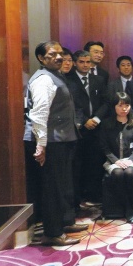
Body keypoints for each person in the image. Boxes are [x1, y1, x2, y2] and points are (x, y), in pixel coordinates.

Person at [26, 41, 85, 246]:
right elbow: (39, 114)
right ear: (41, 58)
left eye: (60, 53)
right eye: (52, 54)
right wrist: (41, 145)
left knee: (64, 185)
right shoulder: (43, 79)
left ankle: (65, 222)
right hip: (51, 142)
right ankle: (53, 232)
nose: (59, 57)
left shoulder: (56, 75)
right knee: (53, 188)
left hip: (62, 139)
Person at [66, 49, 109, 204]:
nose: (85, 65)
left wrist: (96, 118)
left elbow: (106, 102)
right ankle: (78, 198)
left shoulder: (98, 80)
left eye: (88, 62)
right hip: (78, 129)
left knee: (95, 163)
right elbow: (70, 105)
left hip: (96, 128)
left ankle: (94, 196)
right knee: (77, 164)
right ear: (75, 63)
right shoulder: (68, 80)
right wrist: (85, 120)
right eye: (81, 62)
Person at [99, 92, 133, 223]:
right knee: (118, 173)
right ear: (114, 106)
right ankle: (127, 206)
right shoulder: (106, 124)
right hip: (114, 160)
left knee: (130, 173)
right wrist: (116, 161)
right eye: (120, 105)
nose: (124, 108)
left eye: (127, 105)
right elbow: (104, 147)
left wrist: (131, 160)